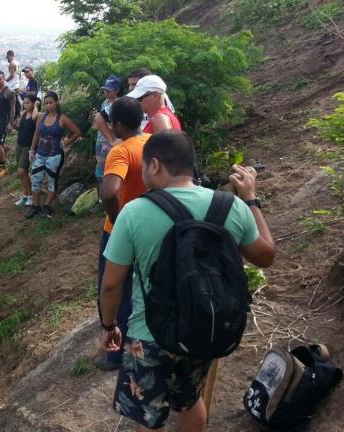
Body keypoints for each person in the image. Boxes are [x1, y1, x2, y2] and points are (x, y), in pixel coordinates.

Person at [99, 130, 275, 431]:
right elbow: (266, 255)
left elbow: (112, 284)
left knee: (146, 411)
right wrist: (250, 198)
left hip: (150, 333)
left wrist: (109, 325)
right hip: (204, 324)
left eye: (144, 166)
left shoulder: (134, 212)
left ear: (155, 165)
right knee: (190, 399)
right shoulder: (229, 206)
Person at [93, 96, 150, 371]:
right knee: (136, 290)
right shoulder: (152, 143)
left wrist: (119, 225)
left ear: (116, 124)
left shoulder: (121, 150)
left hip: (121, 230)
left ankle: (115, 353)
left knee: (113, 290)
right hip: (148, 227)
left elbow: (109, 192)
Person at [26, 91, 81, 219]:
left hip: (55, 155)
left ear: (56, 103)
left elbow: (77, 131)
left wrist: (66, 142)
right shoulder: (41, 117)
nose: (48, 105)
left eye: (51, 102)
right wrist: (32, 150)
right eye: (46, 103)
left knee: (52, 181)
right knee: (36, 179)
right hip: (40, 154)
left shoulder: (62, 118)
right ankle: (35, 205)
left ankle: (47, 205)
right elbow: (36, 134)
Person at [10, 94, 39, 206]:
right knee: (22, 173)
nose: (25, 104)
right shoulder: (23, 114)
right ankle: (26, 194)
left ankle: (30, 195)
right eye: (24, 102)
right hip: (20, 144)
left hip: (28, 146)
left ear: (33, 103)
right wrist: (15, 126)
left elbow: (34, 118)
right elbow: (21, 129)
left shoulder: (37, 115)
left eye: (28, 103)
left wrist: (36, 105)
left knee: (21, 171)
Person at [94, 75, 121, 187]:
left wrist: (104, 125)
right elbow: (99, 124)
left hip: (112, 141)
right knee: (100, 170)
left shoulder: (119, 104)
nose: (106, 92)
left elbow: (118, 126)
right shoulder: (104, 103)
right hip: (100, 140)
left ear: (117, 90)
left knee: (110, 169)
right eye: (105, 90)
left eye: (109, 90)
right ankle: (103, 195)